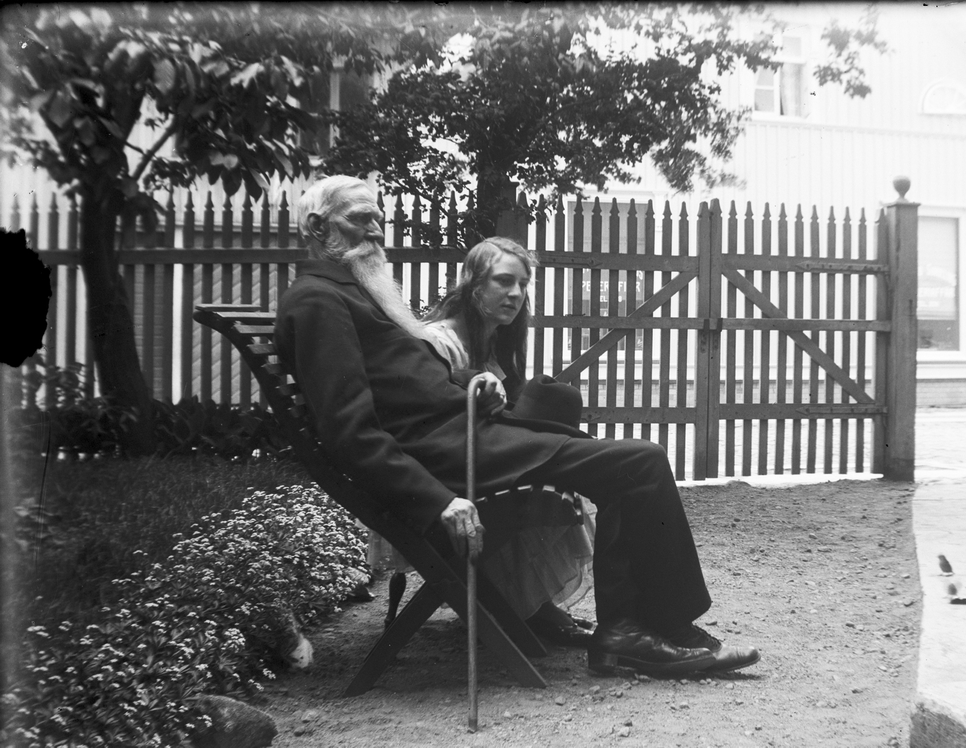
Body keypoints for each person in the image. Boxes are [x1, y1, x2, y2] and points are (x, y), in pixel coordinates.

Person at [275, 175, 759, 677]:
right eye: (360, 219)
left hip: (463, 434)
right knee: (640, 462)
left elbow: (403, 382)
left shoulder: (352, 293)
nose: (376, 230)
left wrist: (470, 381)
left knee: (626, 459)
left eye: (378, 219)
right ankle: (638, 632)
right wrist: (438, 501)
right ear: (318, 227)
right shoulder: (318, 302)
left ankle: (644, 628)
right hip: (445, 454)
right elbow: (349, 432)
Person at [422, 236, 596, 647]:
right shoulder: (438, 342)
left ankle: (527, 605)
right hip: (447, 480)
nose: (516, 293)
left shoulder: (492, 343)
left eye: (522, 284)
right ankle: (523, 608)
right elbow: (429, 420)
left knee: (554, 459)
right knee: (543, 476)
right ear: (473, 283)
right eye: (503, 281)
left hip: (483, 463)